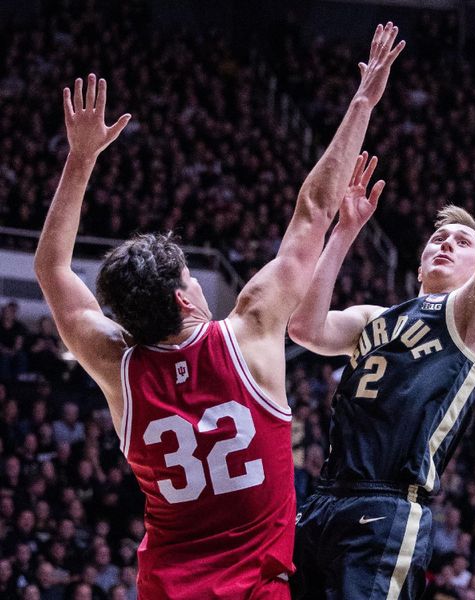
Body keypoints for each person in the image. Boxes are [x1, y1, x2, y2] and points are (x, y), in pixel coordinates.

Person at [33, 22, 404, 600]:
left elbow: (53, 269)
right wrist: (364, 100)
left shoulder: (117, 368)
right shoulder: (251, 329)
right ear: (185, 297)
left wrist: (80, 159)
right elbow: (313, 211)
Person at [287, 22, 475, 600]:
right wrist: (345, 232)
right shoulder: (378, 316)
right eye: (437, 238)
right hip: (323, 500)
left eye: (461, 240)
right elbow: (305, 326)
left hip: (387, 506)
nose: (444, 243)